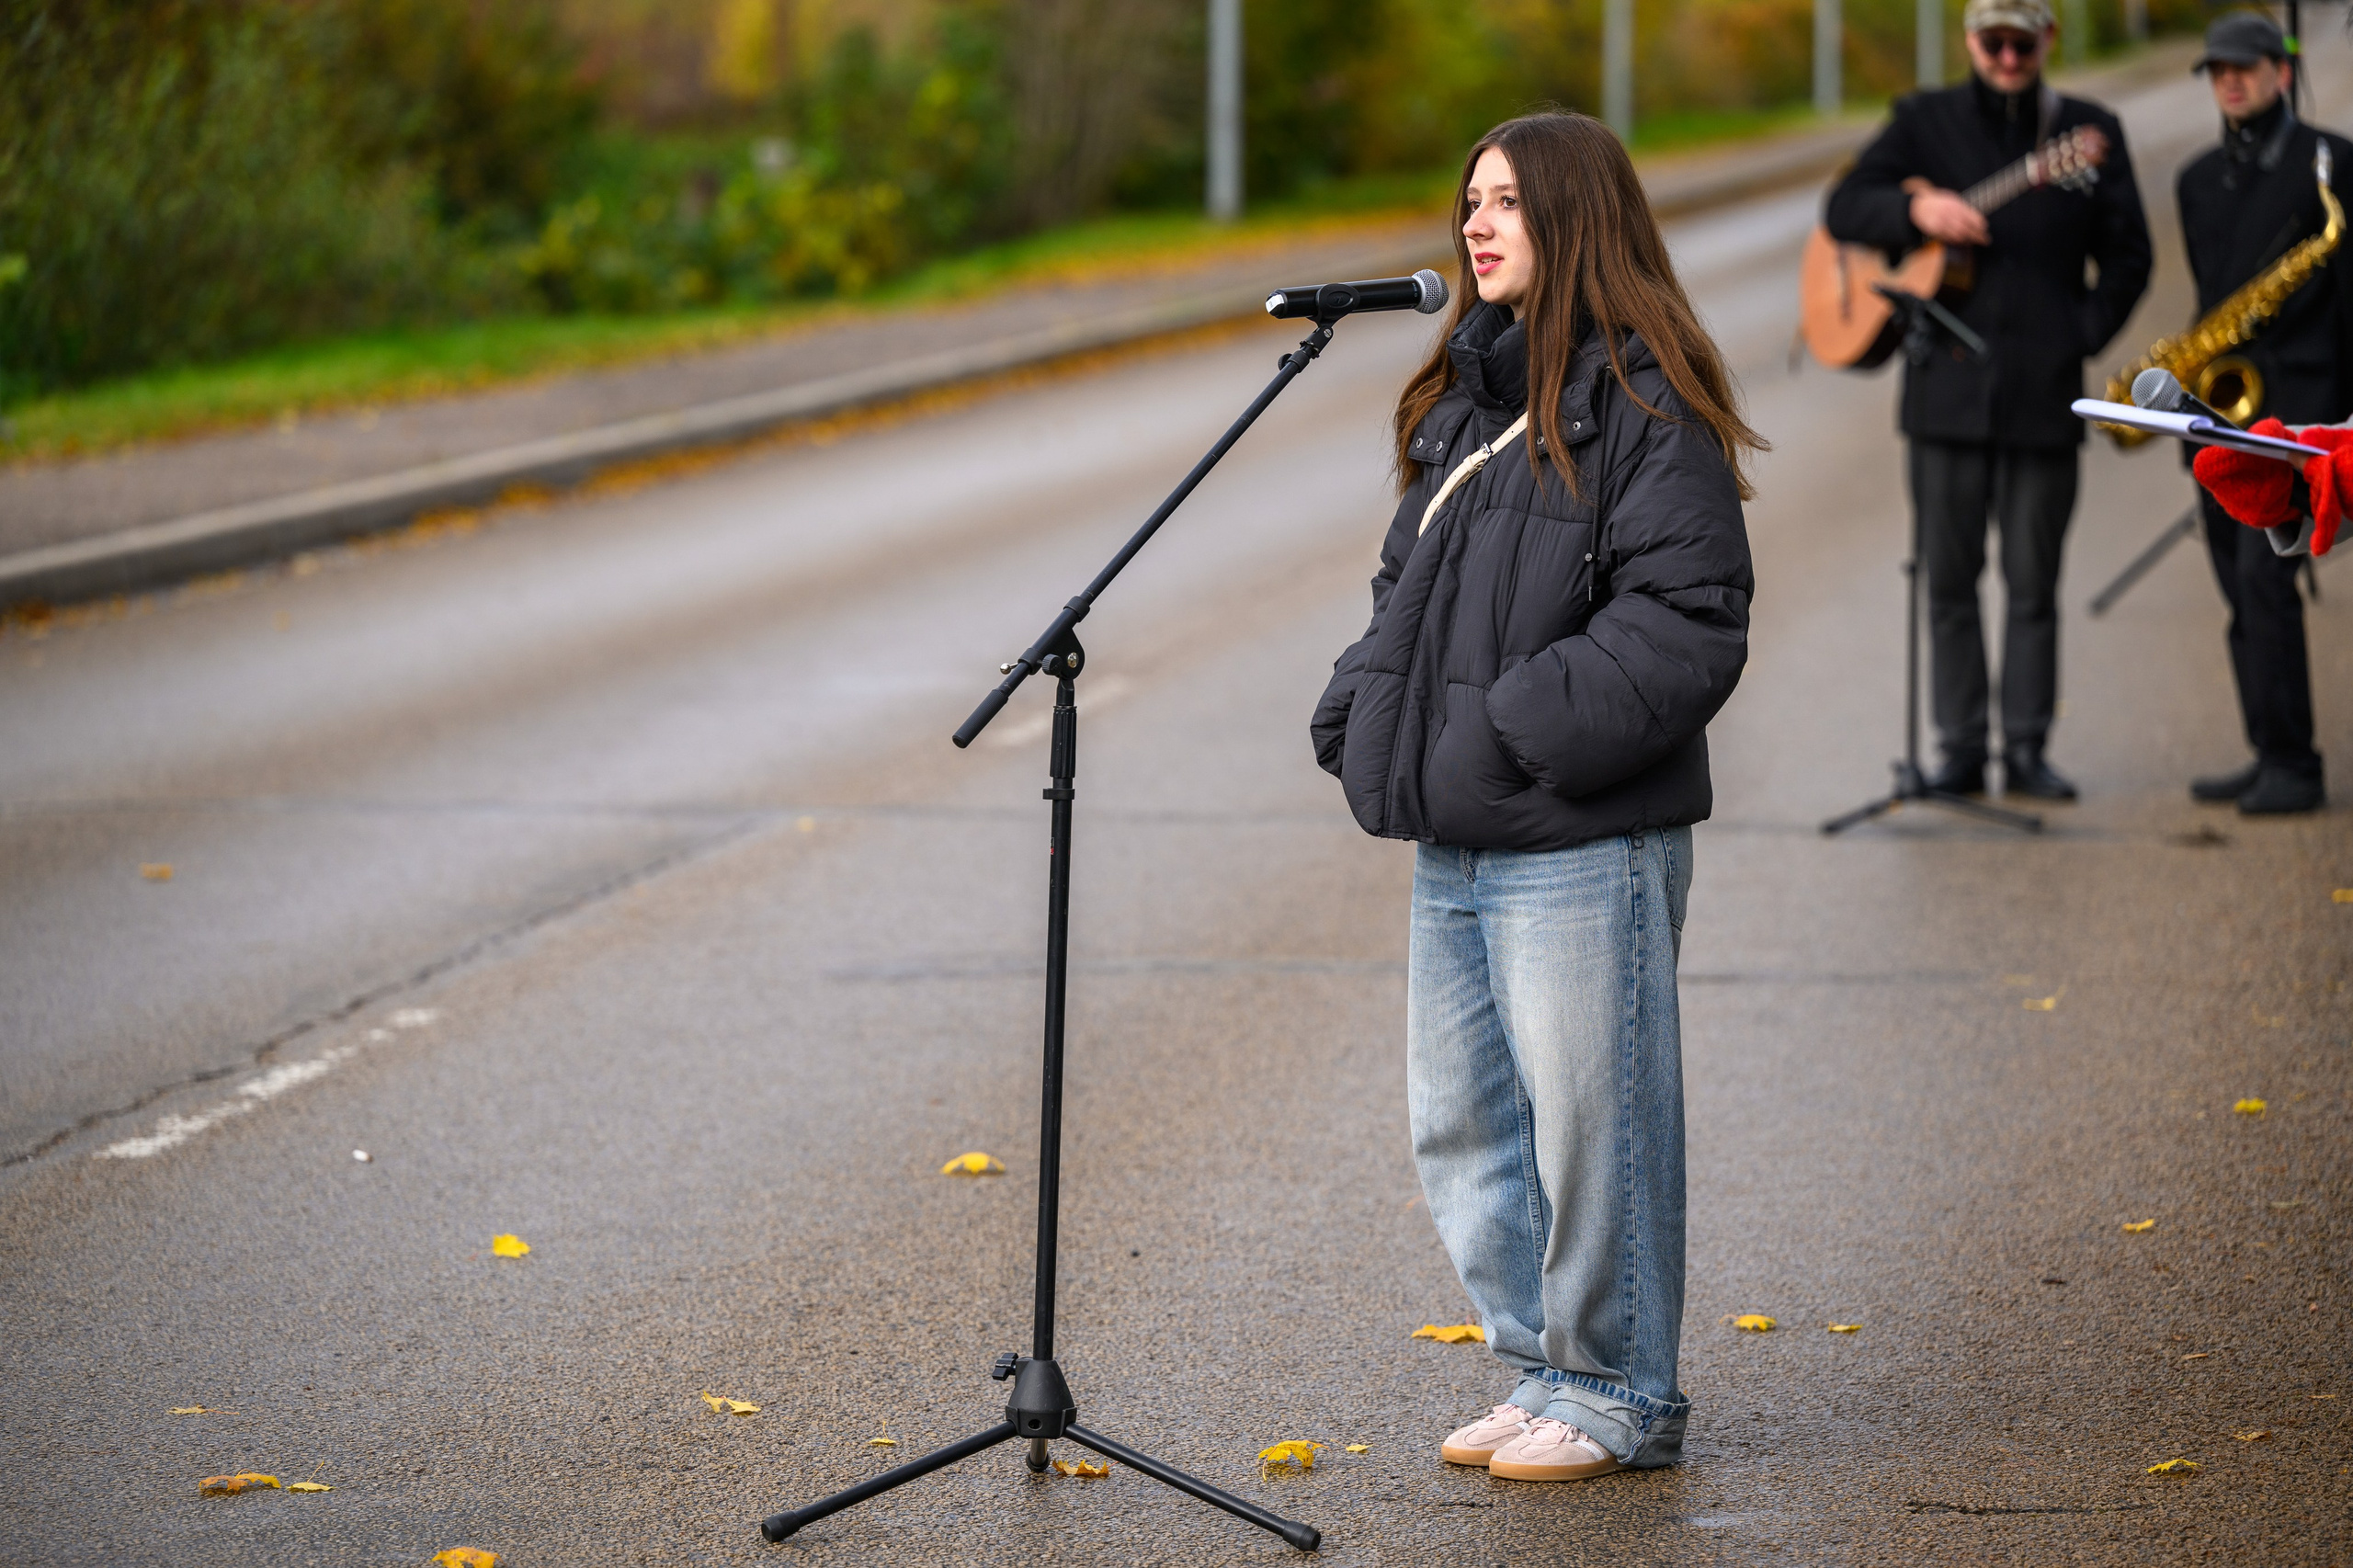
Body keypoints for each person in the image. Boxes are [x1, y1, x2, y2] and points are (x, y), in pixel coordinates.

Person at [1309, 111, 1759, 1481]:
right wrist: (1360, 709)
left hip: (1578, 832)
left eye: (1507, 201)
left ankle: (1622, 1389)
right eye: (1469, 202)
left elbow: (1691, 615)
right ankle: (1546, 1362)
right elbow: (1411, 593)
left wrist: (1511, 727)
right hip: (1457, 833)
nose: (1476, 224)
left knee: (1590, 1121)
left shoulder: (1642, 401)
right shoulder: (1467, 403)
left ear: (1576, 218)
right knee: (1466, 1123)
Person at [1824, 0, 2151, 801]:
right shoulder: (1924, 121)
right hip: (1944, 399)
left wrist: (2079, 331)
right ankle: (1962, 749)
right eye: (1994, 41)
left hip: (2044, 397)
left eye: (2023, 42)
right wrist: (1916, 210)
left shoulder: (2087, 127)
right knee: (1948, 581)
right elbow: (1844, 208)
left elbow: (2130, 254)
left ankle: (2028, 748)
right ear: (1972, 40)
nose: (2008, 56)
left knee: (2035, 584)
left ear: (2049, 40)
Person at [2174, 9, 2347, 816]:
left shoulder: (2334, 164)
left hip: (2302, 415)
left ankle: (2296, 765)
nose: (2229, 80)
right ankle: (2267, 747)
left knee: (2266, 584)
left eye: (2244, 65)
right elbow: (2214, 298)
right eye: (2217, 69)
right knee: (2238, 590)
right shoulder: (2196, 180)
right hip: (2225, 412)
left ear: (2283, 69)